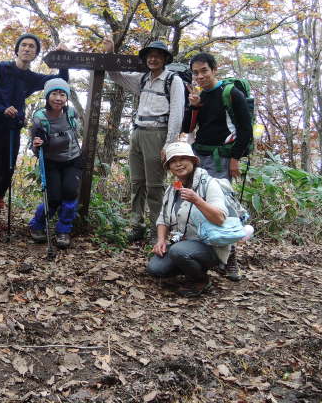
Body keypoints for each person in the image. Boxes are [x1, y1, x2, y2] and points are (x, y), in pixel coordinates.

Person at [0, 34, 69, 240]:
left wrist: (63, 60)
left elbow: (60, 82)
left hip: (13, 129)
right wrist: (1, 108)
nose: (27, 49)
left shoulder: (31, 77)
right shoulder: (1, 69)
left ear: (35, 53)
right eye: (23, 45)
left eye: (32, 47)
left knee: (6, 173)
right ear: (17, 49)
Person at [103, 37, 185, 243]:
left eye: (158, 56)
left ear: (165, 59)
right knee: (137, 182)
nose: (153, 59)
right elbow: (115, 75)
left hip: (158, 134)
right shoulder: (143, 79)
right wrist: (111, 53)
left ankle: (156, 229)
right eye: (150, 55)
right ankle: (136, 225)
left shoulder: (172, 80)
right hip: (138, 132)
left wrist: (169, 144)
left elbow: (177, 113)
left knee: (155, 185)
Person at [182, 52, 252, 281]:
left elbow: (245, 129)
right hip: (199, 155)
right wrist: (193, 107)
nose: (200, 76)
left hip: (222, 158)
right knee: (195, 204)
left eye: (204, 71)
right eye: (196, 72)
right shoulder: (199, 96)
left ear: (214, 70)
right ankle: (201, 255)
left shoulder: (231, 93)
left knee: (224, 208)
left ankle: (230, 261)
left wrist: (235, 158)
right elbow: (188, 127)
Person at [147, 142, 229, 297]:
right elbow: (163, 218)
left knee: (179, 251)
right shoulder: (173, 189)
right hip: (184, 244)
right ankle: (188, 266)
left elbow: (220, 218)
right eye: (173, 160)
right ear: (169, 167)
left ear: (193, 160)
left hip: (210, 246)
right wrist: (161, 240)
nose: (178, 164)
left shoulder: (209, 184)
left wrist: (197, 200)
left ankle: (200, 279)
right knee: (156, 269)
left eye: (183, 158)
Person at [29, 78, 81, 249]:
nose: (58, 98)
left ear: (66, 97)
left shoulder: (71, 113)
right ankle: (37, 225)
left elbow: (76, 133)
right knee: (53, 198)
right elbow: (35, 148)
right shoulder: (40, 118)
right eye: (54, 94)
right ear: (47, 96)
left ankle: (63, 230)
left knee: (70, 193)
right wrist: (37, 144)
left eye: (62, 94)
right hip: (50, 161)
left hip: (72, 160)